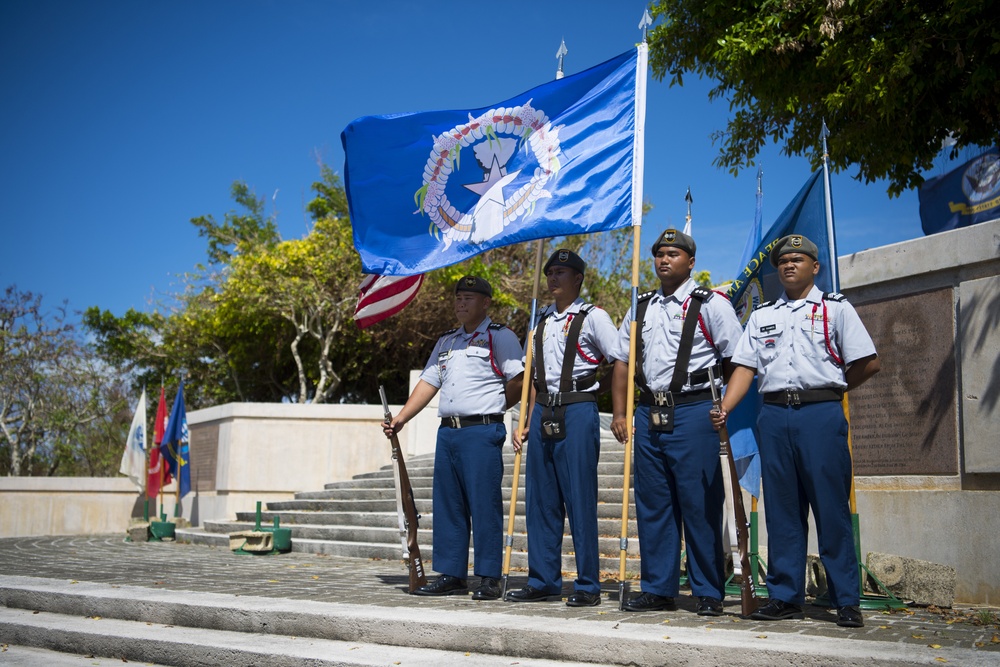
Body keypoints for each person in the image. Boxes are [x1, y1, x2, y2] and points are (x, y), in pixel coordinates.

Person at [710, 234, 880, 628]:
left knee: (830, 507)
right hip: (773, 417)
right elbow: (745, 369)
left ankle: (845, 598)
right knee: (784, 510)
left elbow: (868, 362)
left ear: (814, 267)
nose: (789, 265)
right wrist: (725, 406)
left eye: (798, 259)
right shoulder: (762, 315)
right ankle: (785, 595)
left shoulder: (836, 309)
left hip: (820, 415)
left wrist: (831, 386)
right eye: (783, 260)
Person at [610, 228, 743, 617]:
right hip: (650, 412)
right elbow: (622, 360)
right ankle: (658, 588)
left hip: (695, 410)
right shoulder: (640, 306)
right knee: (654, 504)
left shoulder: (711, 304)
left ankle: (707, 589)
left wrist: (728, 406)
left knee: (699, 503)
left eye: (673, 253)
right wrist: (620, 412)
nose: (664, 260)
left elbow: (738, 360)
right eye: (659, 254)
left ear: (690, 262)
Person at [382, 276, 524, 600]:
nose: (461, 303)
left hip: (481, 431)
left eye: (469, 298)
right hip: (448, 432)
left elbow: (519, 379)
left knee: (483, 505)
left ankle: (488, 576)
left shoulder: (499, 337)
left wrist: (495, 405)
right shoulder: (446, 341)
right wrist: (402, 418)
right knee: (448, 505)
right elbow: (428, 382)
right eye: (458, 297)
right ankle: (451, 573)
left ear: (486, 302)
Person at [506, 249, 618, 607]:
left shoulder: (594, 317)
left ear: (578, 278)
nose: (553, 278)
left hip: (579, 407)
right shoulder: (538, 321)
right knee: (540, 500)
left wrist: (617, 410)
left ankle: (588, 584)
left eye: (561, 272)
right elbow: (531, 378)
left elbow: (618, 360)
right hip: (542, 410)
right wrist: (524, 419)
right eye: (550, 272)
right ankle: (542, 579)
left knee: (580, 497)